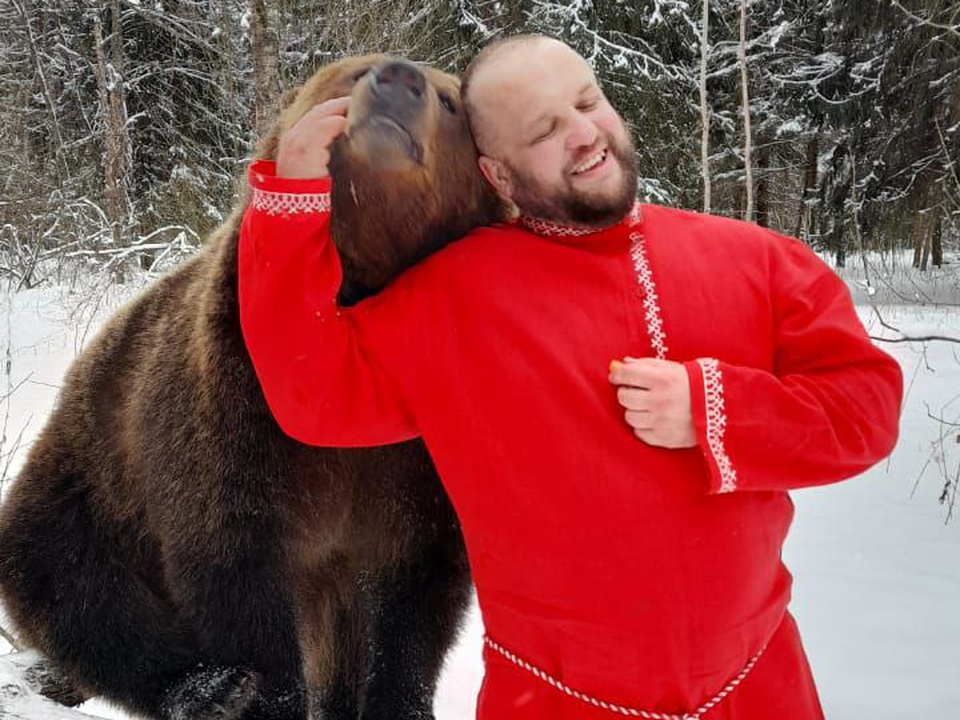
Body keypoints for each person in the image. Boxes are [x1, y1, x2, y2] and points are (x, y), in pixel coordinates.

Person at [237, 35, 902, 720]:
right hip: (553, 699)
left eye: (588, 102)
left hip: (760, 691)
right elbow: (315, 395)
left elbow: (867, 408)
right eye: (544, 131)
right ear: (497, 176)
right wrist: (292, 204)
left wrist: (716, 410)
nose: (586, 135)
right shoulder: (453, 298)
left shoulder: (761, 262)